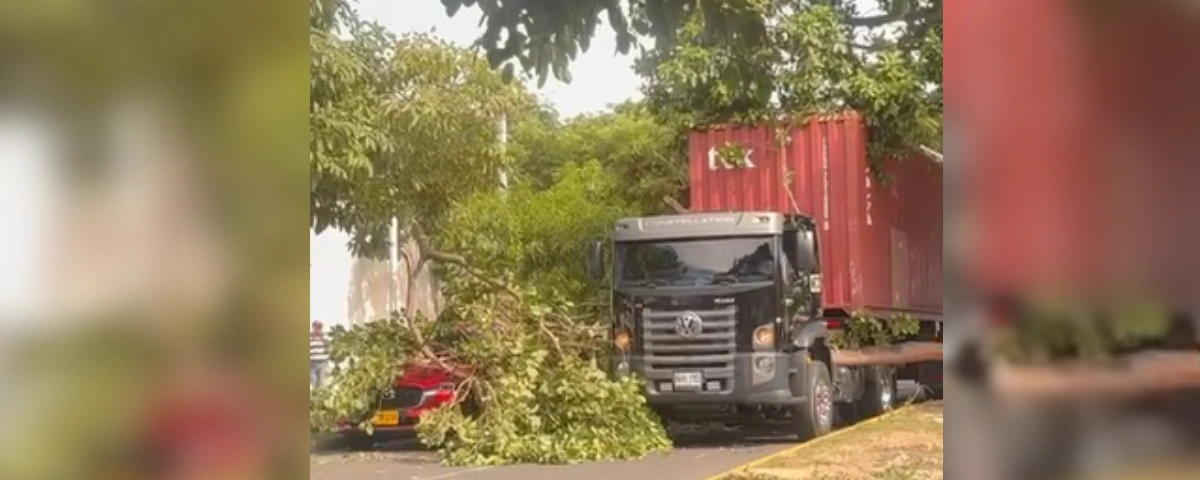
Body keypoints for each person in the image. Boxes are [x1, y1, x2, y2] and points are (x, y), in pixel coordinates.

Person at [309, 321, 330, 388]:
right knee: (314, 381)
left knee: (322, 382)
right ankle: (315, 396)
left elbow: (329, 348)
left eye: (320, 327)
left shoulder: (325, 338)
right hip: (312, 363)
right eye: (316, 327)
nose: (318, 329)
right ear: (313, 327)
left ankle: (321, 396)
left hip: (323, 363)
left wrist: (322, 338)